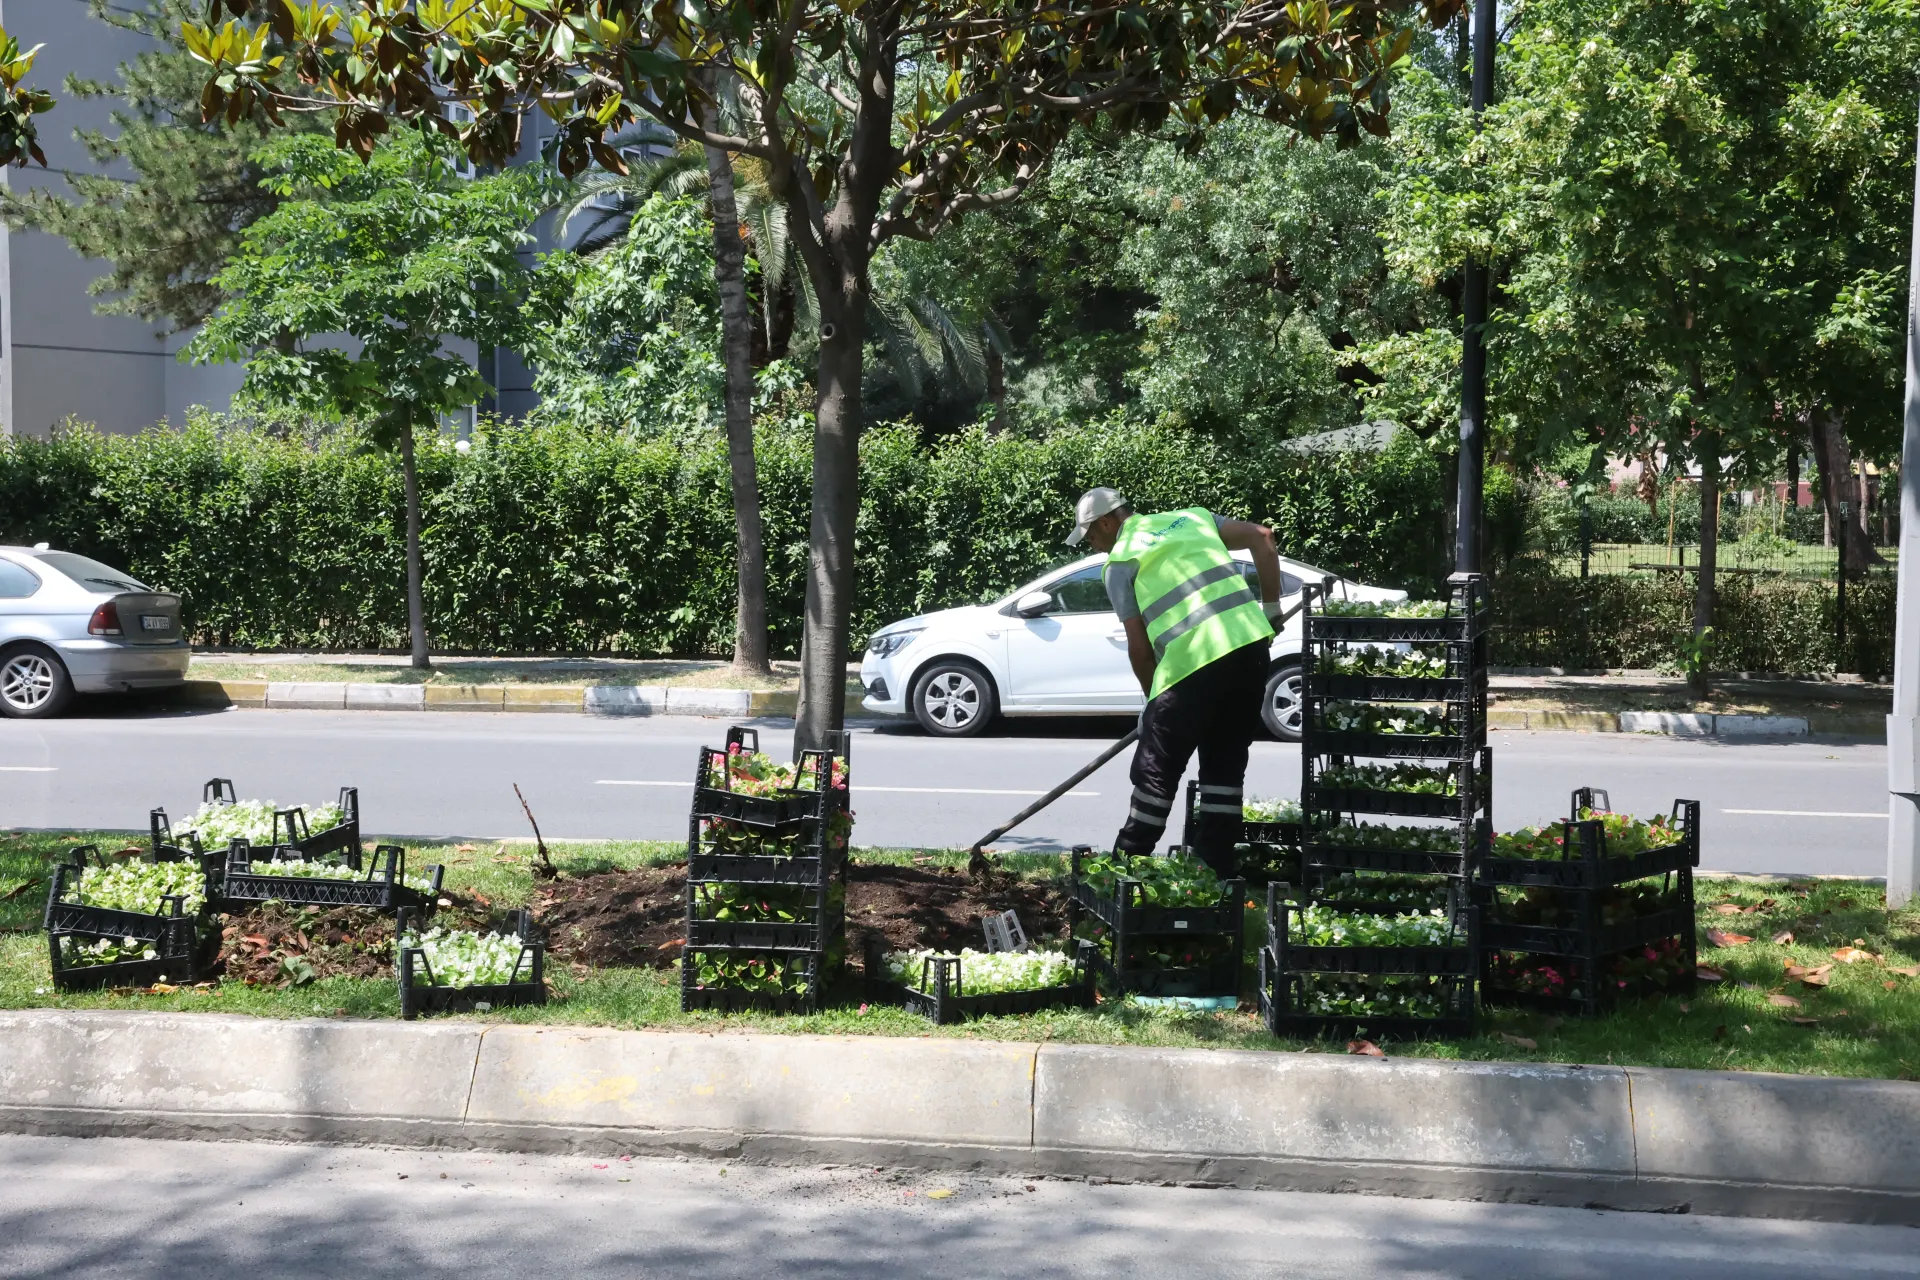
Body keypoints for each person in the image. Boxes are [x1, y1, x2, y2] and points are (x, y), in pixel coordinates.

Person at [1066, 487, 1285, 875]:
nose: (1094, 546)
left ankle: (1127, 867)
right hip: (1250, 650)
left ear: (1106, 522)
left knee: (1157, 770)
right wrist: (1270, 608)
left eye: (1092, 537)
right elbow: (1262, 537)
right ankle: (1214, 873)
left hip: (1192, 663)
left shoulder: (1120, 562)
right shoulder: (1192, 519)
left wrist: (1153, 704)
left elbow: (1140, 649)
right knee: (1225, 763)